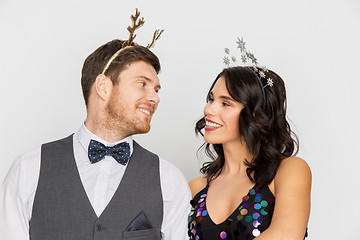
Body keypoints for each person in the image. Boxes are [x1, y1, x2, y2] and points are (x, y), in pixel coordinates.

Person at [0, 9, 191, 240]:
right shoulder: (28, 170)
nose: (155, 98)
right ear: (103, 87)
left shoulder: (169, 180)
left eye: (157, 89)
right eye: (142, 84)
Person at [188, 64, 311, 239]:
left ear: (256, 115)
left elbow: (286, 234)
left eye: (225, 103)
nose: (209, 110)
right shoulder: (196, 189)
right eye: (211, 99)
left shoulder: (289, 171)